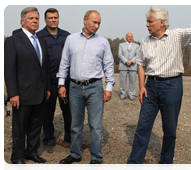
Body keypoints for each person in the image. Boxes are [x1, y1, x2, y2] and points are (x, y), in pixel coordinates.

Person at [124, 6, 191, 170]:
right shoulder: (145, 41)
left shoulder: (177, 35)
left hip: (172, 86)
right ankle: (134, 164)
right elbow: (140, 65)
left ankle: (166, 164)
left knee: (170, 129)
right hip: (151, 87)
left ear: (161, 22)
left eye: (149, 21)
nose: (147, 25)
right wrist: (141, 86)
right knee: (143, 127)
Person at [57, 10, 115, 170]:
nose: (97, 26)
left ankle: (96, 157)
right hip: (74, 87)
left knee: (95, 126)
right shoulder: (71, 39)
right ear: (84, 20)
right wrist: (61, 84)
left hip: (95, 87)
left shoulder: (103, 42)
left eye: (99, 23)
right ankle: (75, 154)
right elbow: (64, 63)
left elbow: (109, 65)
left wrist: (109, 87)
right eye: (94, 22)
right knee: (75, 124)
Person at [4, 7, 51, 170]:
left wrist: (47, 88)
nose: (35, 21)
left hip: (39, 93)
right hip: (22, 94)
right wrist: (13, 93)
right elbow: (9, 70)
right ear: (22, 21)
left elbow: (44, 68)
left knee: (36, 125)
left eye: (37, 18)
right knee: (19, 127)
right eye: (31, 18)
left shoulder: (42, 41)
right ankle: (17, 157)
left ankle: (32, 152)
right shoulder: (13, 41)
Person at [37, 8, 71, 153]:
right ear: (45, 20)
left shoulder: (67, 36)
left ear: (58, 19)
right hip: (48, 82)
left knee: (68, 111)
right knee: (47, 112)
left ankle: (69, 137)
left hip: (66, 82)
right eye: (50, 18)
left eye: (55, 17)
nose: (53, 20)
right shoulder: (39, 37)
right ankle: (49, 139)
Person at [118, 33, 139, 100]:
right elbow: (119, 54)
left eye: (131, 36)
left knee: (133, 81)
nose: (130, 38)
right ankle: (123, 94)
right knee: (122, 80)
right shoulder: (121, 45)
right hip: (123, 65)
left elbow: (137, 55)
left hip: (133, 65)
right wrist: (126, 61)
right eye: (129, 36)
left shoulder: (137, 46)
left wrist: (132, 61)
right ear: (126, 37)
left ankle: (131, 94)